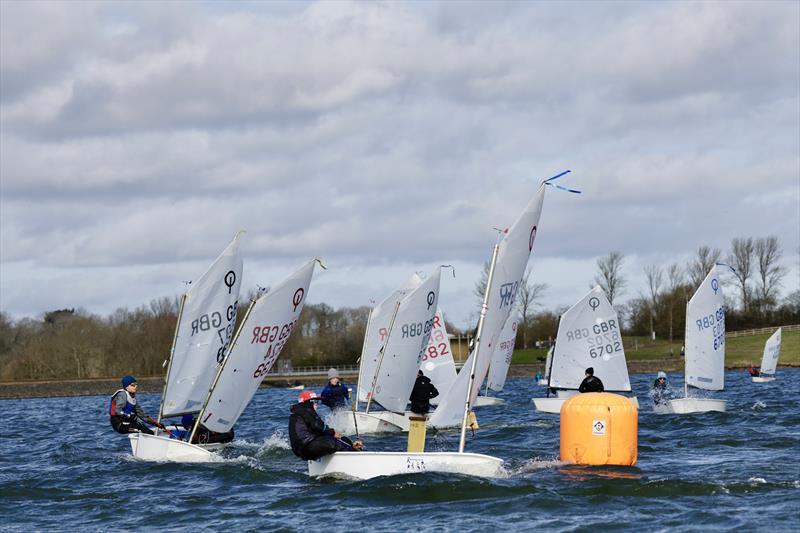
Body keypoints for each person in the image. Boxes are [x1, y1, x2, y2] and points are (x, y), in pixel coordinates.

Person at [289, 390, 363, 460]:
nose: (317, 404)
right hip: (308, 447)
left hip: (301, 450)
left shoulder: (298, 413)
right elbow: (319, 427)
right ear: (309, 402)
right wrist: (333, 433)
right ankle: (355, 453)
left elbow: (317, 430)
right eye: (315, 401)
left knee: (339, 440)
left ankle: (351, 449)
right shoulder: (307, 411)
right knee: (333, 442)